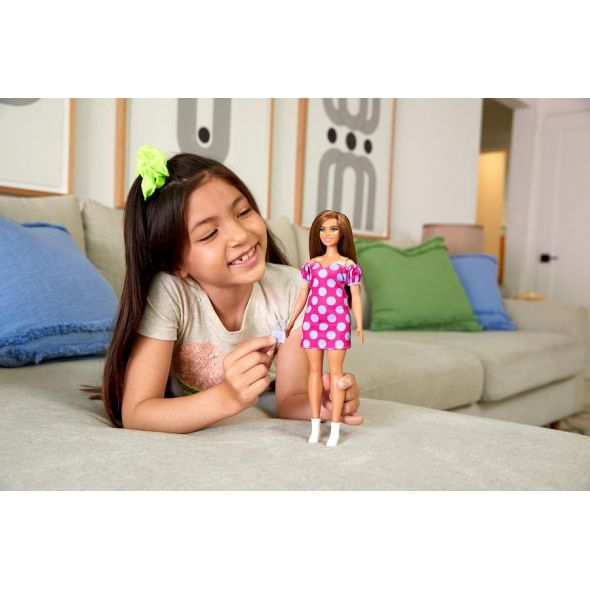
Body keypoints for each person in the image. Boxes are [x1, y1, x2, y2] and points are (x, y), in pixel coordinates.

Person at [101, 146, 363, 435]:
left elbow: (291, 400)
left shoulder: (294, 289)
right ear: (176, 263)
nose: (241, 235)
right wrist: (229, 397)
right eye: (209, 233)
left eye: (243, 212)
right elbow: (137, 413)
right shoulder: (170, 293)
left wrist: (323, 404)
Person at [285, 210, 364, 447]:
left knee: (337, 374)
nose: (327, 234)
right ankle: (315, 425)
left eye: (333, 229)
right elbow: (303, 294)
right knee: (314, 373)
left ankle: (336, 428)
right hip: (313, 321)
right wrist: (292, 320)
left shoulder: (348, 266)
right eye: (322, 229)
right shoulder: (312, 265)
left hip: (338, 321)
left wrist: (359, 324)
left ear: (342, 233)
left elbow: (355, 297)